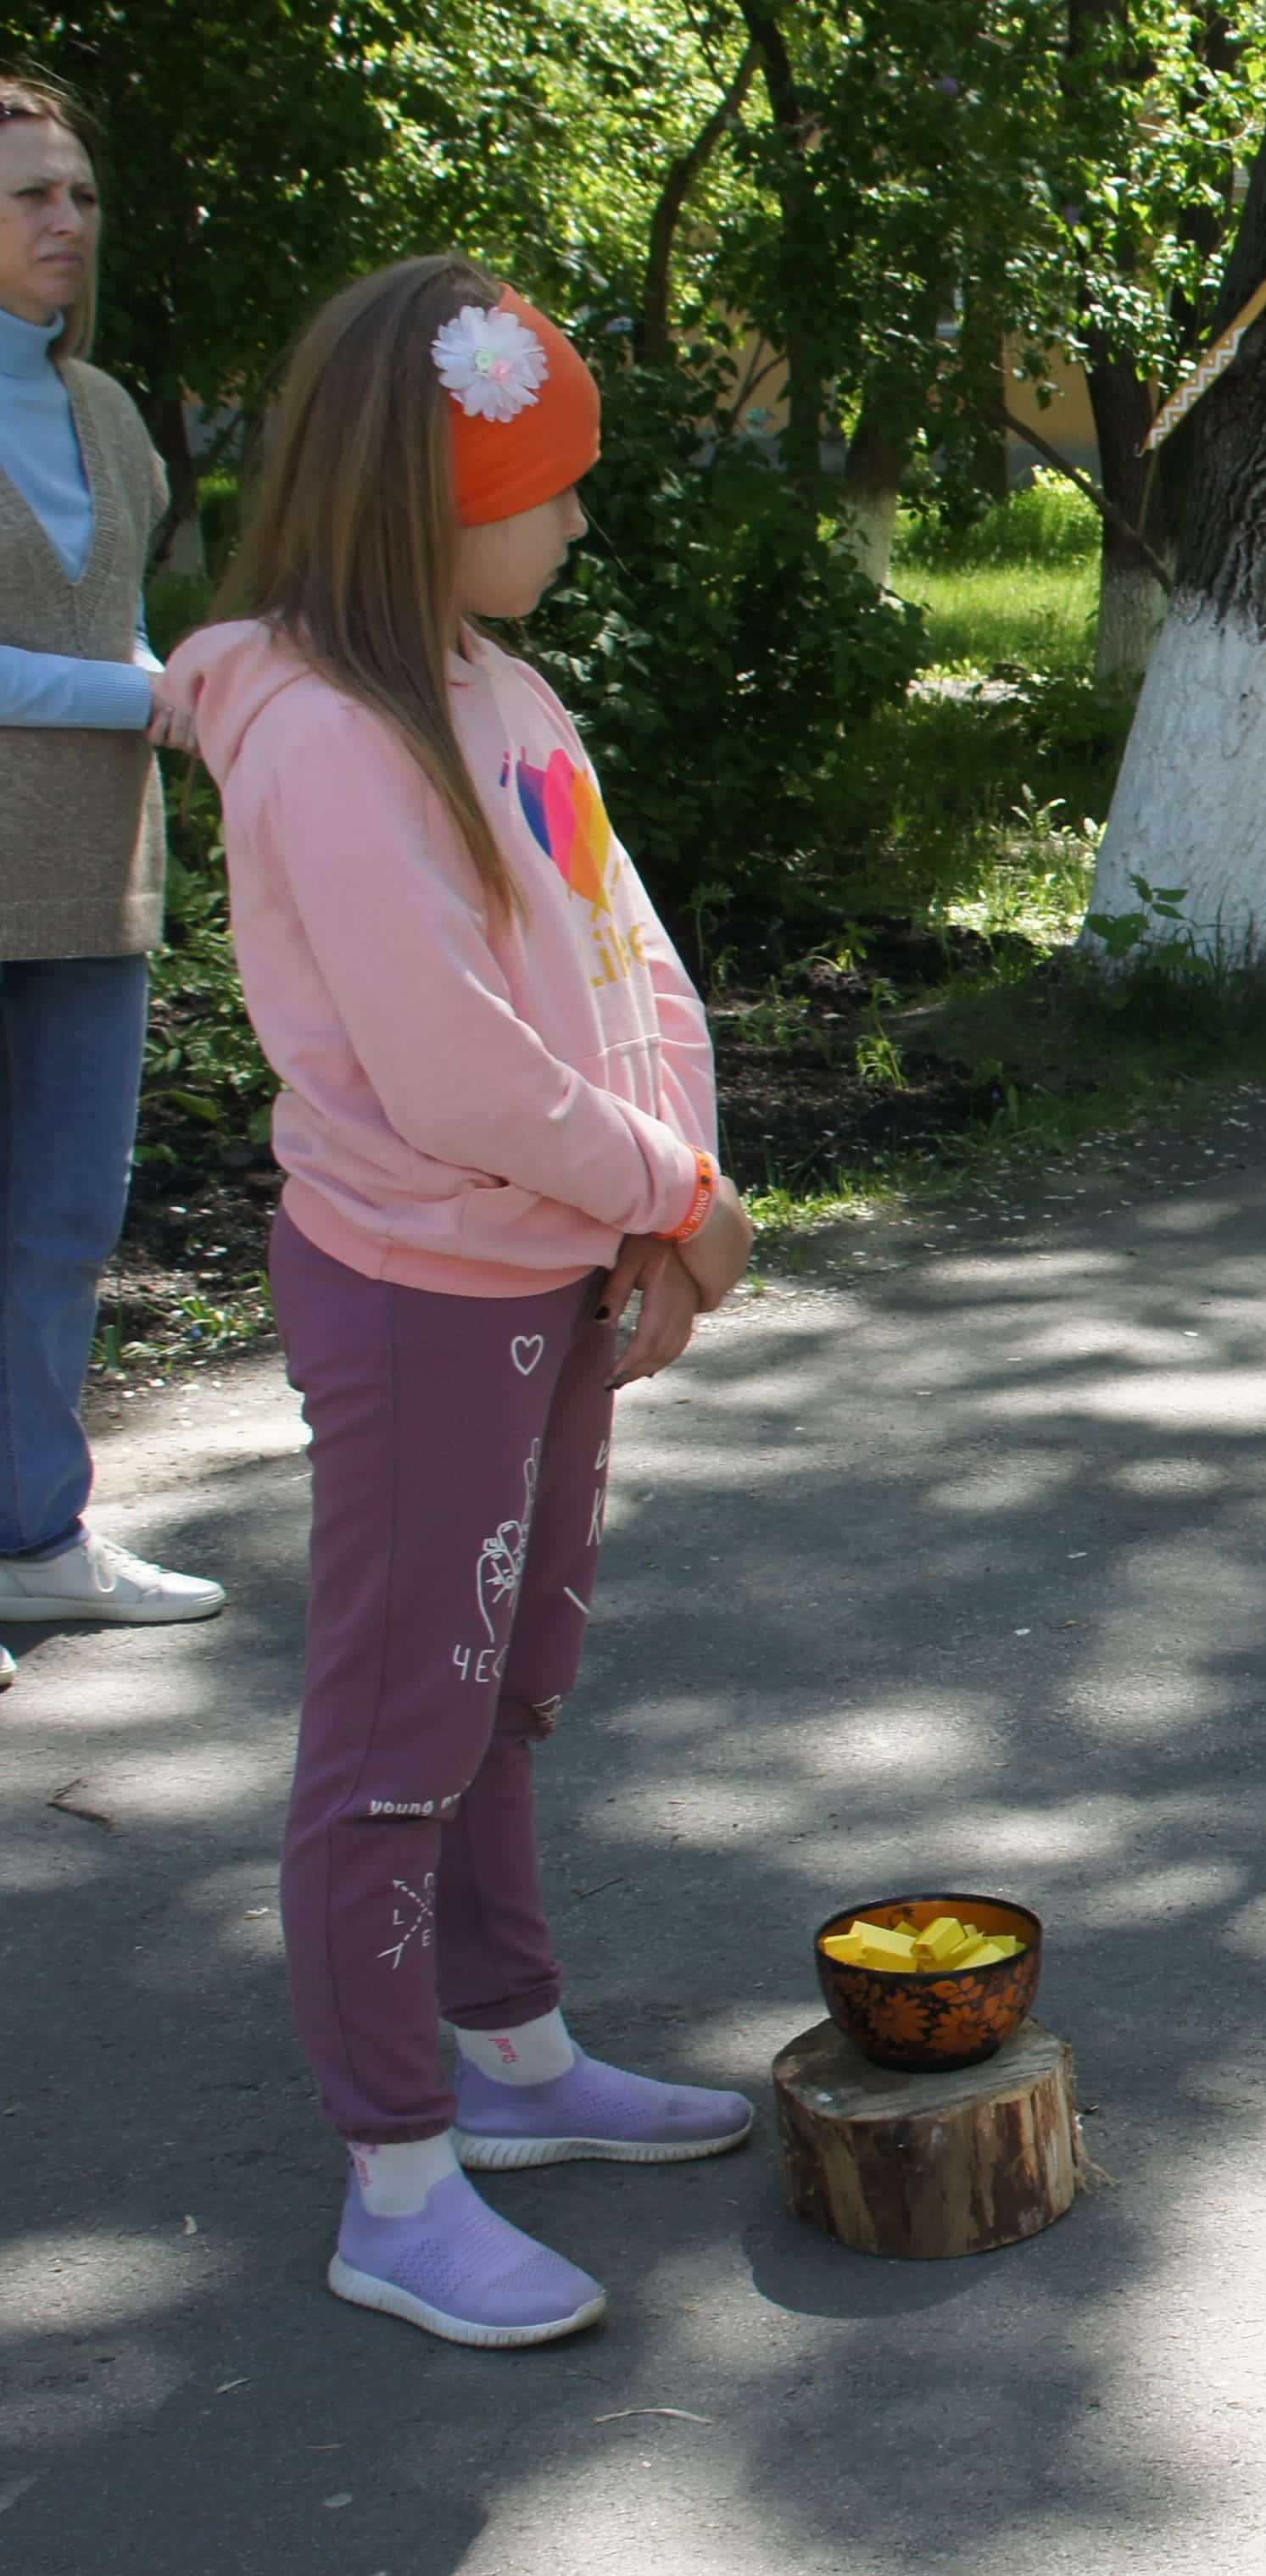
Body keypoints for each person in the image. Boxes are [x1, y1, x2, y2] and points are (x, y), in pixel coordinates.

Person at [161, 258, 762, 2348]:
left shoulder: (501, 692)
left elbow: (627, 955)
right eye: (547, 488)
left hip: (558, 1260)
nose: (578, 519)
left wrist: (664, 1201)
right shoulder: (329, 739)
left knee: (507, 1683)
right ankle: (396, 2178)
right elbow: (449, 1071)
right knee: (396, 1729)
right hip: (424, 1291)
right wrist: (669, 1193)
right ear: (428, 500)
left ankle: (511, 2052)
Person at [0, 76, 227, 1673]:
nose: (67, 221)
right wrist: (137, 695)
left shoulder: (107, 412)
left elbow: (117, 625)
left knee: (67, 1221)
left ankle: (35, 1538)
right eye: (31, 195)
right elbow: (102, 673)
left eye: (80, 194)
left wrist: (188, 686)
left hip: (95, 870)